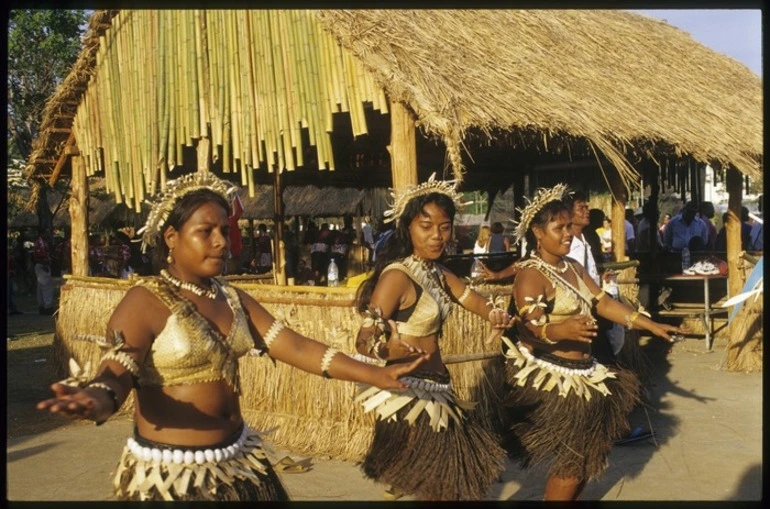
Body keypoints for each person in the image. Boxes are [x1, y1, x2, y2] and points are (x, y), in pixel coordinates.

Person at [37, 172, 429, 502]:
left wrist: (373, 374)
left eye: (224, 231)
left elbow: (294, 346)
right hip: (173, 477)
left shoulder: (232, 297)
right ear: (171, 237)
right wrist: (96, 399)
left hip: (239, 463)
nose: (221, 241)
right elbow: (117, 372)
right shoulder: (144, 301)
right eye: (205, 232)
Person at [499, 183, 682, 501]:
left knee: (588, 456)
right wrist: (560, 331)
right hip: (557, 378)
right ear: (538, 233)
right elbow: (530, 328)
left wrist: (649, 324)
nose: (568, 233)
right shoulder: (531, 274)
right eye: (559, 228)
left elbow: (602, 303)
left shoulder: (573, 267)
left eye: (569, 226)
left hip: (587, 371)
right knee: (573, 461)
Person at [353, 173, 513, 500]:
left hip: (440, 388)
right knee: (441, 490)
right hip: (412, 396)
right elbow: (364, 337)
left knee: (446, 490)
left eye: (444, 226)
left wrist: (496, 315)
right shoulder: (398, 276)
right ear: (407, 228)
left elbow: (471, 299)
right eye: (426, 226)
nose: (436, 236)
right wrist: (387, 346)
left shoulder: (438, 273)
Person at [33, 228, 55, 315]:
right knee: (46, 287)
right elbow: (41, 255)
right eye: (46, 233)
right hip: (43, 266)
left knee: (40, 287)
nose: (48, 235)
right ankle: (47, 306)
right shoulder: (41, 243)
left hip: (41, 265)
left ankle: (42, 306)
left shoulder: (40, 242)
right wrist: (45, 265)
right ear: (42, 234)